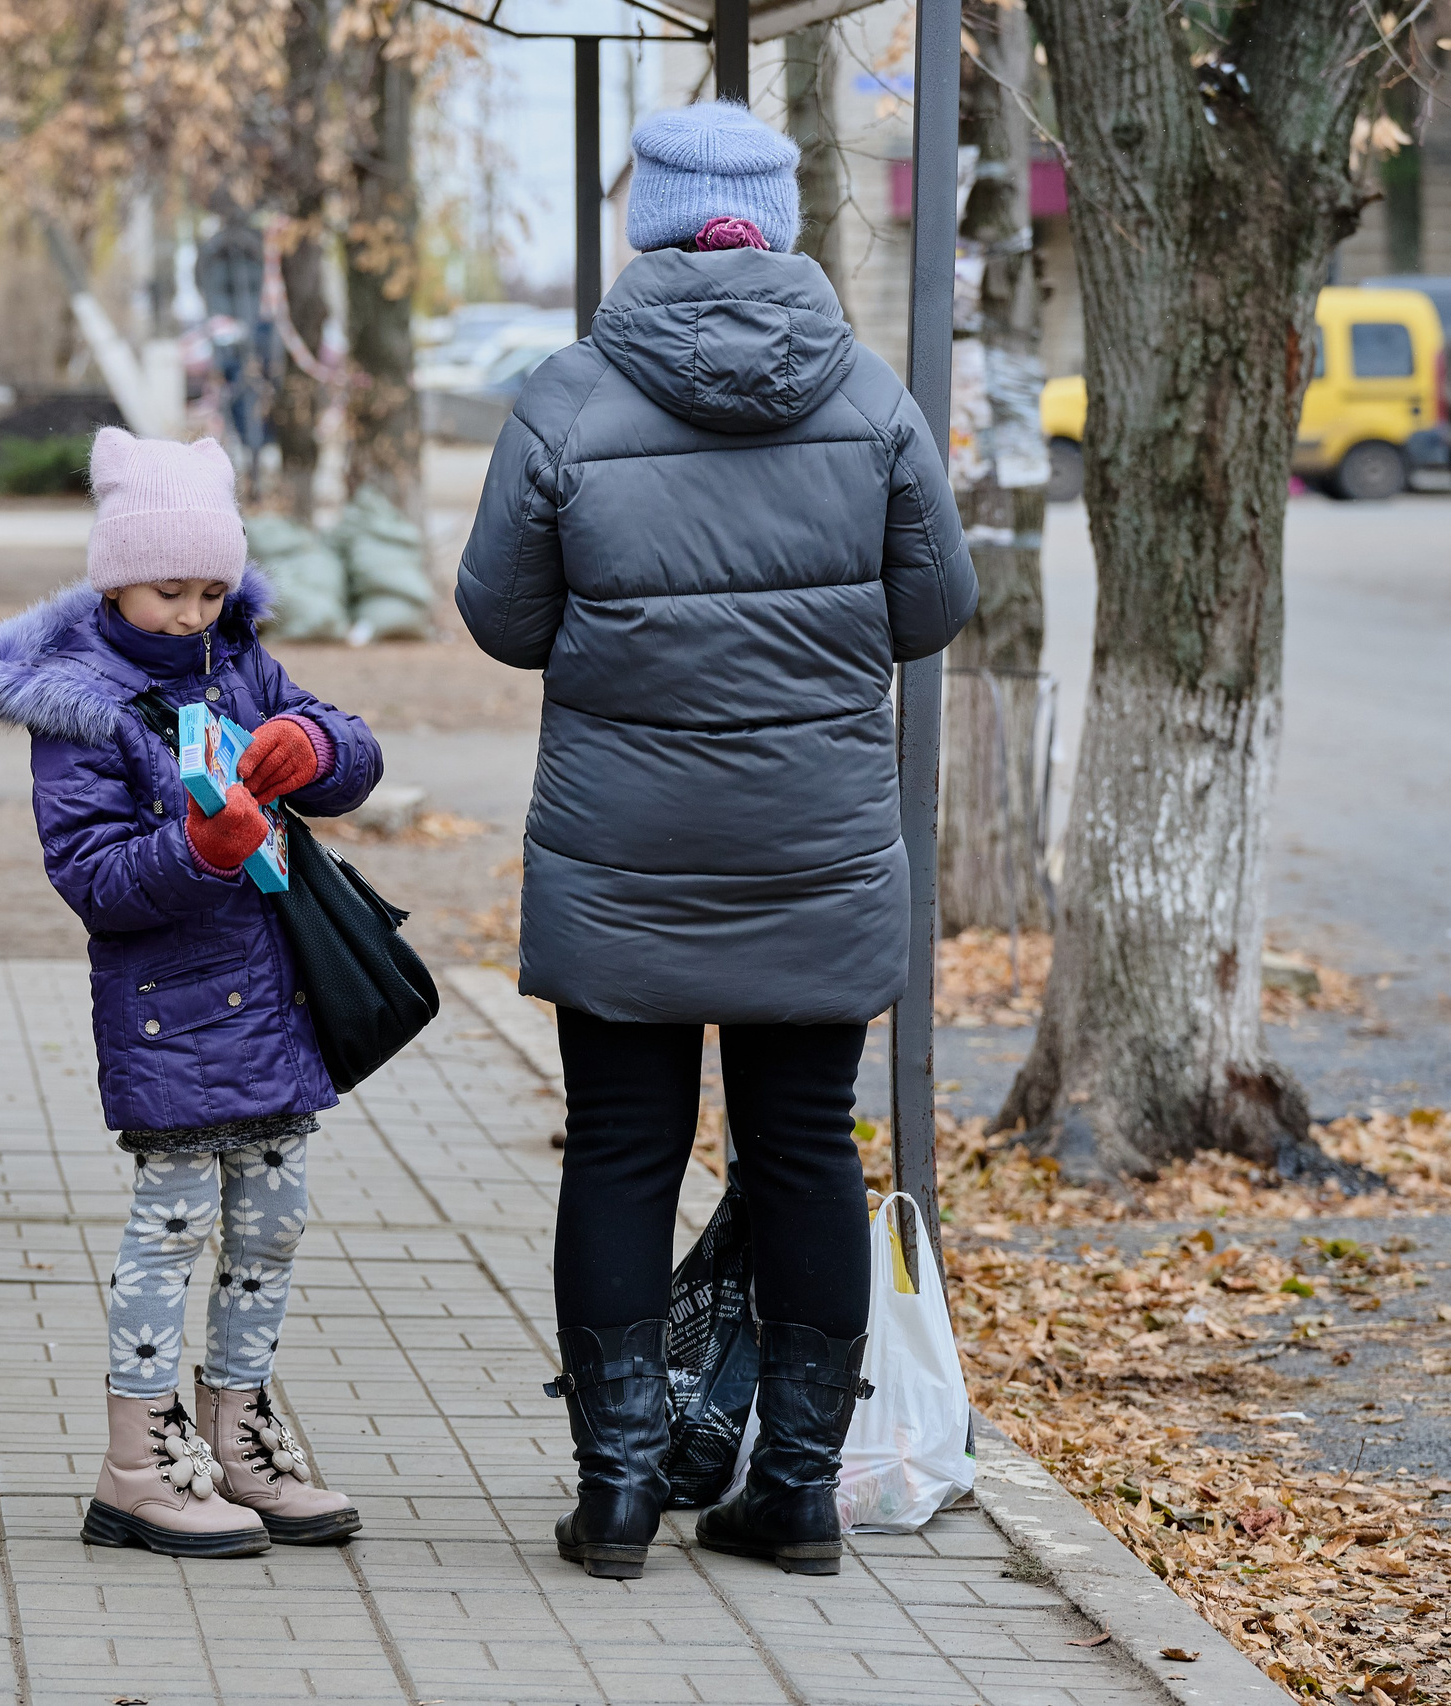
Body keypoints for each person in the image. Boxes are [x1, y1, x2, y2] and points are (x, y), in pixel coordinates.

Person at [457, 101, 978, 1581]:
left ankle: (619, 1492)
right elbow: (934, 608)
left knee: (624, 1147)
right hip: (812, 846)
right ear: (781, 217)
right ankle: (797, 1490)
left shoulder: (568, 398)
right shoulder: (871, 397)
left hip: (622, 847)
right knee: (804, 1143)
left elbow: (502, 616)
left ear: (652, 220)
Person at [0, 428, 382, 1557]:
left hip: (274, 1001)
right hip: (173, 1011)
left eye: (212, 587)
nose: (194, 612)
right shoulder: (82, 705)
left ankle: (238, 1433)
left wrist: (312, 746)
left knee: (273, 1221)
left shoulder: (237, 659)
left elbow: (349, 744)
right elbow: (90, 873)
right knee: (174, 1223)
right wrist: (198, 848)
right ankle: (137, 1460)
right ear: (113, 576)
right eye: (168, 590)